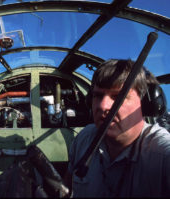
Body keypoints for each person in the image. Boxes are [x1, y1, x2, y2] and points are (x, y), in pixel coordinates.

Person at [64, 59, 170, 197]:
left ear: (144, 104)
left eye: (118, 96)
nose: (103, 106)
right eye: (98, 95)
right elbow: (66, 186)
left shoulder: (161, 153)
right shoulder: (84, 139)